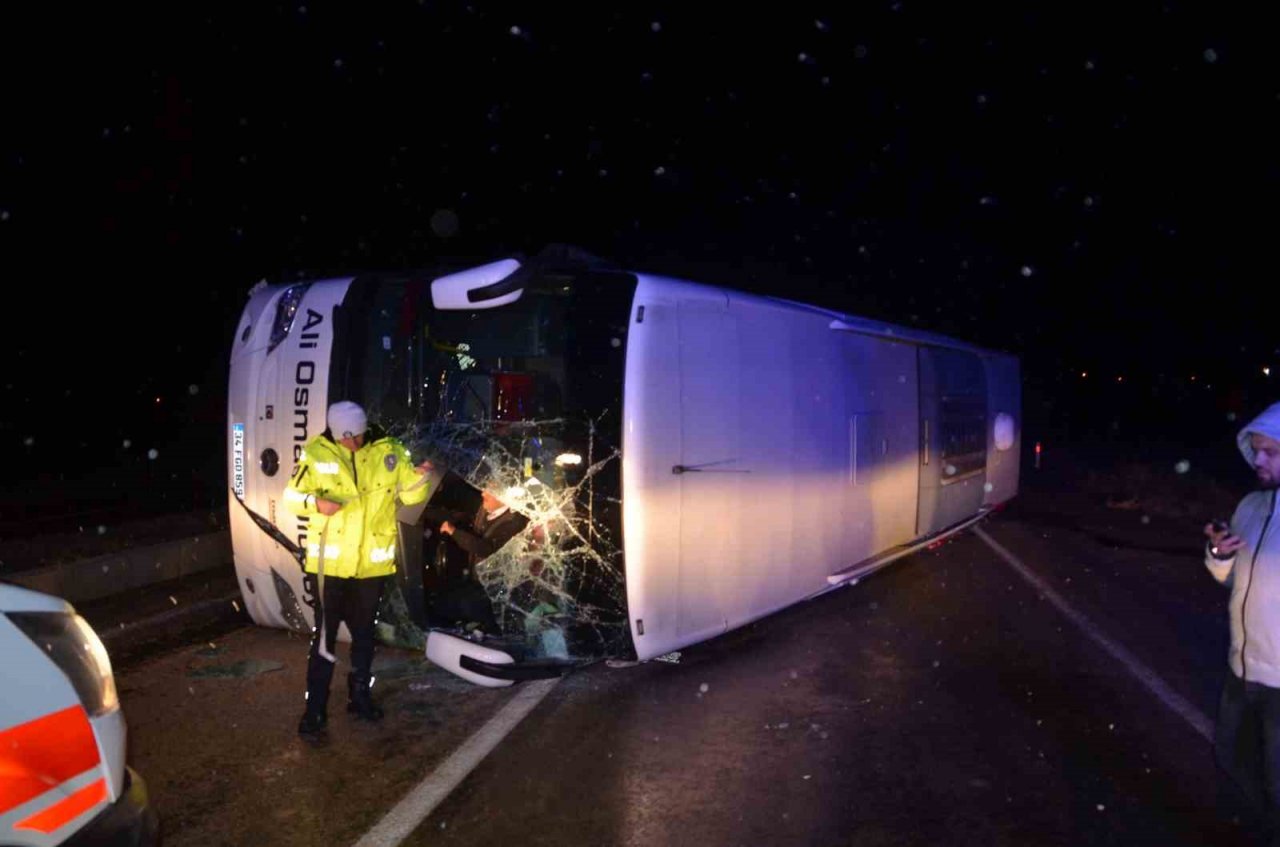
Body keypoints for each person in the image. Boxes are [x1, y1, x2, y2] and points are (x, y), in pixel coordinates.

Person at [284, 401, 432, 740]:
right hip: (329, 568)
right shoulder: (316, 454)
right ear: (336, 433)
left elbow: (410, 497)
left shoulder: (390, 451)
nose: (354, 443)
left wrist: (421, 478)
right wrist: (315, 503)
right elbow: (292, 497)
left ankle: (360, 695)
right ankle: (315, 709)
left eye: (358, 435)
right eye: (347, 437)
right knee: (324, 639)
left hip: (370, 567)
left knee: (365, 636)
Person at [1205, 400, 1280, 840]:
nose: (1259, 460)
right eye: (1256, 450)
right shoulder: (1250, 506)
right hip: (1240, 670)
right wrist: (1219, 554)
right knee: (1230, 759)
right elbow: (1230, 579)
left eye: (1271, 451)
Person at [428, 487, 529, 633]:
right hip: (473, 575)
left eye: (490, 490)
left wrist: (453, 532)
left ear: (503, 497)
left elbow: (486, 548)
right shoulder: (485, 507)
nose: (483, 493)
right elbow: (463, 516)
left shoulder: (513, 522)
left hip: (493, 586)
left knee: (457, 605)